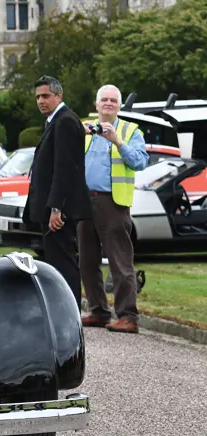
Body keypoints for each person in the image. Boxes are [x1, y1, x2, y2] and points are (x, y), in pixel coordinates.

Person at [78, 85, 149, 333]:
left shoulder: (130, 131)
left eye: (113, 100)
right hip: (84, 201)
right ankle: (98, 311)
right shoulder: (83, 127)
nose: (108, 103)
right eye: (104, 100)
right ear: (96, 105)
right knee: (87, 261)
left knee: (120, 261)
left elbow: (140, 161)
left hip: (113, 203)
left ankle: (128, 316)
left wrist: (117, 141)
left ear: (119, 105)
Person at [24, 75, 92, 310]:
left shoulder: (65, 122)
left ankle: (69, 311)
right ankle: (61, 309)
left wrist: (56, 208)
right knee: (55, 261)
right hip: (53, 207)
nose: (41, 101)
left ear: (58, 95)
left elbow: (66, 168)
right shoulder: (55, 121)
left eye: (45, 96)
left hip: (60, 210)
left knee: (63, 262)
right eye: (38, 97)